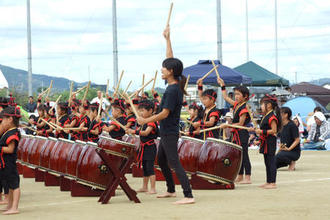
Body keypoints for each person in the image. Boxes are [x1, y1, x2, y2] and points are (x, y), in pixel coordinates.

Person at [136, 25, 194, 205]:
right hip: (167, 131)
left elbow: (164, 113)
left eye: (163, 69)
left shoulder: (172, 91)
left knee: (174, 163)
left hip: (169, 132)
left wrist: (145, 120)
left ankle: (188, 195)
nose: (161, 70)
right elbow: (171, 59)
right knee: (161, 159)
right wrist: (168, 39)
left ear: (170, 72)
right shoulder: (174, 84)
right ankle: (170, 189)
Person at [218, 81, 252, 184]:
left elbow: (241, 124)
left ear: (245, 96)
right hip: (236, 134)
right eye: (235, 94)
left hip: (242, 133)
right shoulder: (237, 105)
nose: (236, 96)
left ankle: (248, 177)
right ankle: (240, 176)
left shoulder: (244, 108)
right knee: (238, 155)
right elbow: (225, 97)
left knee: (244, 155)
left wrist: (227, 125)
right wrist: (223, 85)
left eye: (238, 94)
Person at [128, 100, 158, 194]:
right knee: (145, 167)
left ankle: (153, 188)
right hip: (144, 148)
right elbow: (139, 131)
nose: (141, 113)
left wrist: (134, 132)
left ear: (150, 111)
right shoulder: (143, 122)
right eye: (140, 111)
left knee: (150, 167)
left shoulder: (151, 122)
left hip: (150, 147)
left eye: (143, 110)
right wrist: (129, 131)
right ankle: (145, 187)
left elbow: (146, 133)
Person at [251, 94, 281, 189]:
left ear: (269, 105)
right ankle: (268, 181)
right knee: (267, 162)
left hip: (270, 142)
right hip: (265, 141)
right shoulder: (265, 116)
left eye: (262, 104)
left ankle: (273, 182)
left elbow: (274, 131)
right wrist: (259, 139)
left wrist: (261, 131)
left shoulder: (272, 117)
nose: (261, 107)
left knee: (271, 162)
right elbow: (263, 131)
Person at [0, 106, 21, 215]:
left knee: (14, 185)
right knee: (9, 185)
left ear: (10, 119)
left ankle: (15, 207)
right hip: (4, 163)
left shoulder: (13, 133)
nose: (2, 121)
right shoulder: (7, 131)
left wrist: (0, 149)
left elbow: (10, 149)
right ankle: (9, 205)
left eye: (4, 119)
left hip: (10, 163)